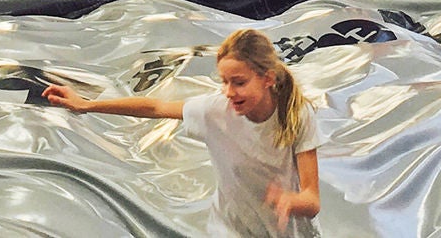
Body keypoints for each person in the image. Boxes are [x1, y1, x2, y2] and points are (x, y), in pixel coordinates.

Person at [45, 27, 321, 238]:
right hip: (231, 230)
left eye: (239, 82)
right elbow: (156, 106)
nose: (228, 92)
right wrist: (88, 105)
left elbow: (312, 200)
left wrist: (290, 201)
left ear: (268, 78)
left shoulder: (295, 114)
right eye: (224, 82)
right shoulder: (216, 110)